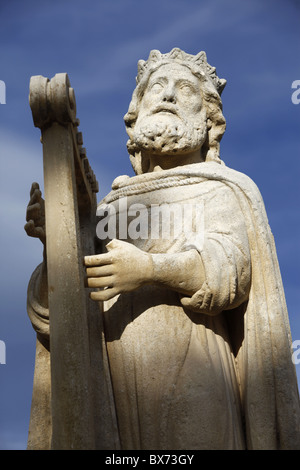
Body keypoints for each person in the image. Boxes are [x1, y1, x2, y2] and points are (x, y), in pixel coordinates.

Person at [25, 48, 300, 449]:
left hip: (197, 379)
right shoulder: (109, 209)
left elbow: (229, 270)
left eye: (185, 88)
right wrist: (57, 245)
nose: (168, 95)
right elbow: (60, 317)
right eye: (158, 86)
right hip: (110, 384)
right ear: (136, 115)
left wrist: (149, 269)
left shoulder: (221, 189)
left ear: (210, 124)